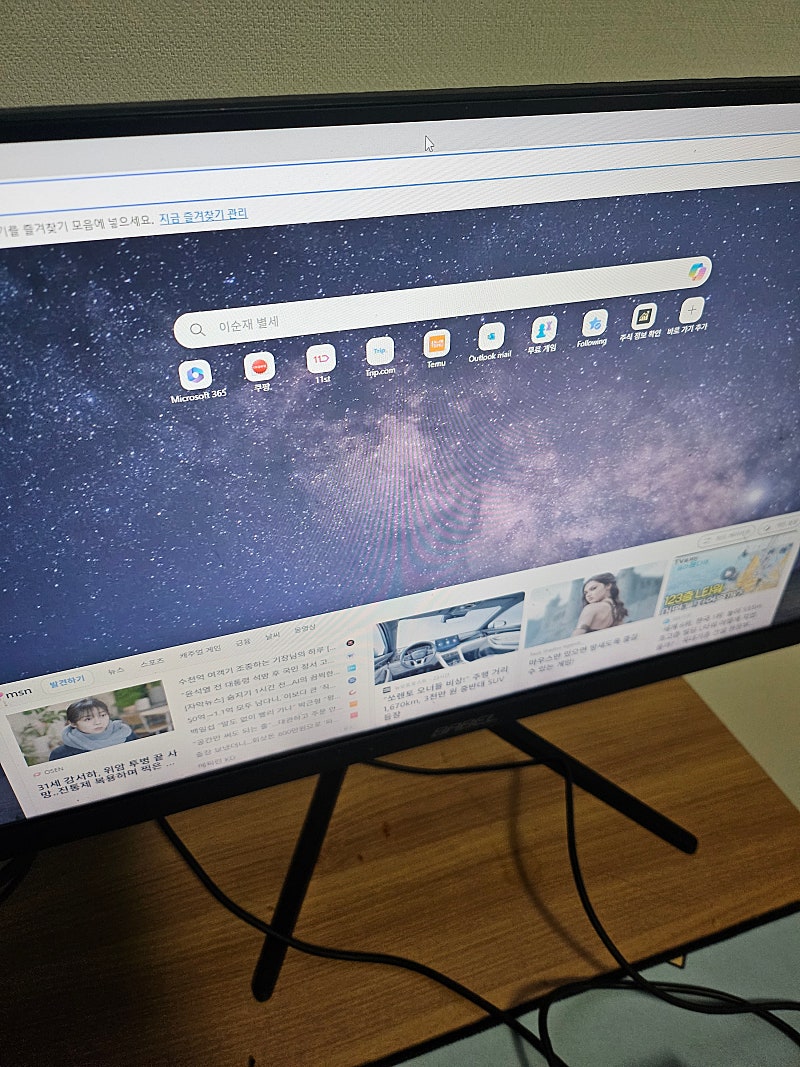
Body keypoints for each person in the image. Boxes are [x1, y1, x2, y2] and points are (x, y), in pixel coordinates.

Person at [48, 697, 137, 761]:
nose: (98, 722)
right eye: (88, 719)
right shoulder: (62, 754)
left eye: (102, 715)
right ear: (73, 723)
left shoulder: (126, 735)